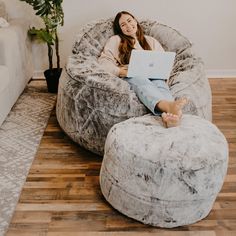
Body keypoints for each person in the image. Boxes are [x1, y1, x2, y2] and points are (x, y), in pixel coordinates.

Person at [98, 11, 187, 128]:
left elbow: (163, 63)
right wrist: (122, 72)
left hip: (154, 75)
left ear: (135, 21)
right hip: (132, 75)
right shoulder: (116, 40)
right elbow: (103, 62)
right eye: (123, 25)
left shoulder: (151, 41)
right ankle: (170, 108)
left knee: (160, 83)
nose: (128, 26)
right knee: (140, 79)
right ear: (120, 29)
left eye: (129, 21)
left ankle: (169, 116)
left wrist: (161, 73)